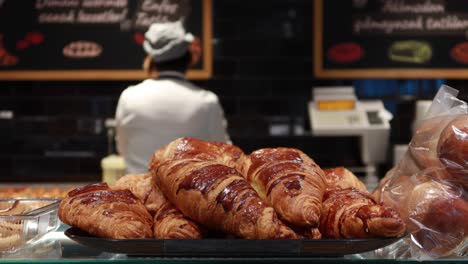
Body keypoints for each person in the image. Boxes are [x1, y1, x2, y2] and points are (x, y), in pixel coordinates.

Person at [115, 20, 230, 174]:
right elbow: (224, 153)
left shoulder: (129, 97)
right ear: (188, 58)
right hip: (187, 194)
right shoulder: (207, 102)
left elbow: (122, 149)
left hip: (138, 192)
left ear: (152, 59)